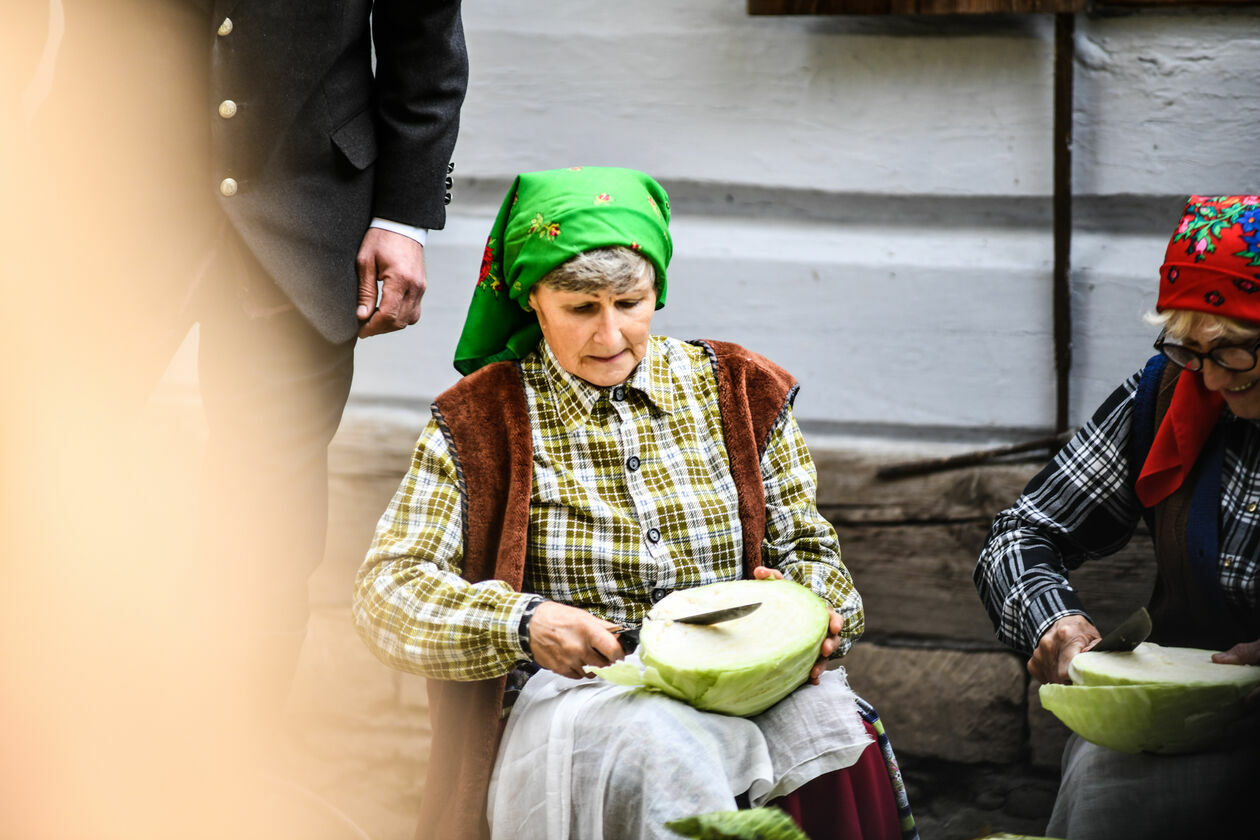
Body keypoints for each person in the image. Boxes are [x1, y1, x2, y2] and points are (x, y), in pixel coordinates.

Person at [353, 167, 915, 840]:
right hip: (578, 701)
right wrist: (523, 623)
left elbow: (815, 557)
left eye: (631, 302)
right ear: (534, 299)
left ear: (658, 289)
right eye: (581, 309)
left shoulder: (740, 391)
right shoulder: (480, 422)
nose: (611, 335)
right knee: (661, 743)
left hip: (741, 680)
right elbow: (386, 591)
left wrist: (813, 615)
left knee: (832, 726)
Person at [974, 195, 1260, 839]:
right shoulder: (1168, 393)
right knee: (1110, 797)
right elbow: (1022, 534)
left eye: (1236, 351)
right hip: (1180, 727)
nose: (1211, 382)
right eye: (1193, 350)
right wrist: (1054, 623)